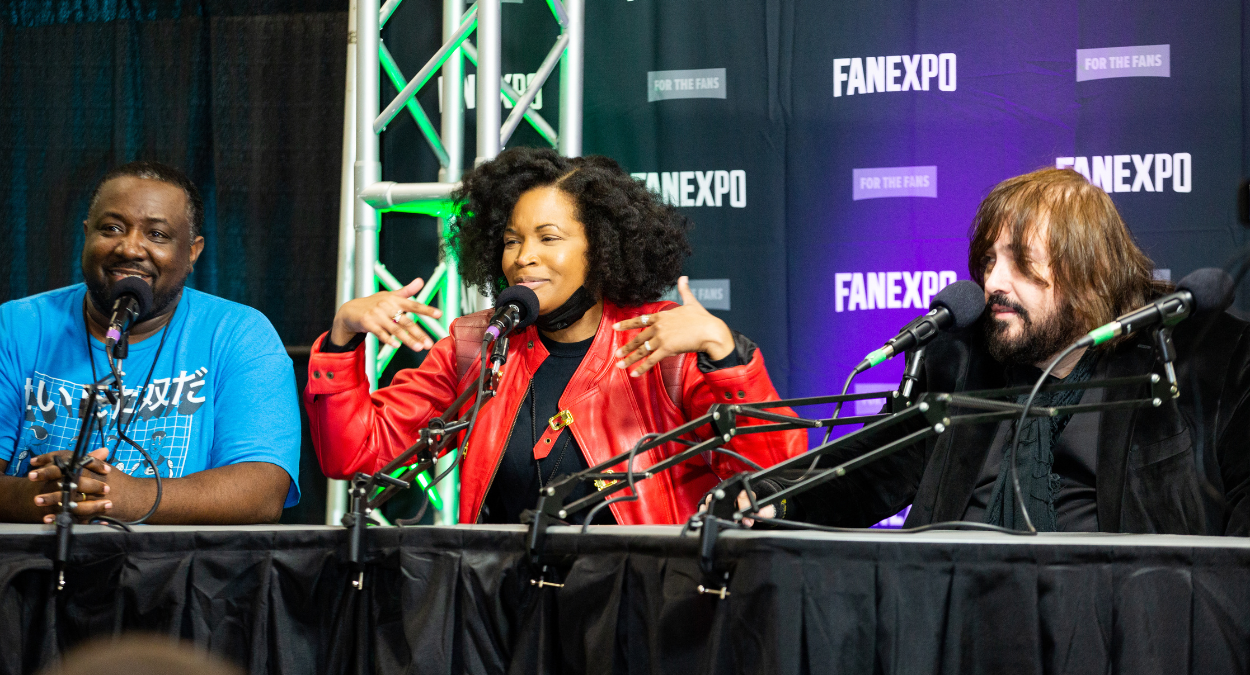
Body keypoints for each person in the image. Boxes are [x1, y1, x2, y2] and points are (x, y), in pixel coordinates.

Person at [306, 147, 805, 524]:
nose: (524, 257)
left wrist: (723, 353)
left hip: (639, 604)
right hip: (502, 608)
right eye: (511, 241)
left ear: (602, 247)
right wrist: (342, 338)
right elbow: (357, 454)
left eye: (548, 238)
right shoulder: (476, 345)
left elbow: (774, 473)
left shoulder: (664, 344)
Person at [748, 167, 1250, 535]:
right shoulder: (959, 359)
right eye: (988, 261)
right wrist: (775, 498)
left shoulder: (1200, 358)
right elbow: (868, 471)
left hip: (1118, 618)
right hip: (960, 608)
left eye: (1021, 262)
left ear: (1089, 273)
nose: (992, 283)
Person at [0, 161, 301, 524]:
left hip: (174, 560)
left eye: (157, 234)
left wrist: (128, 497)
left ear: (192, 252)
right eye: (111, 228)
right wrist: (48, 495)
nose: (130, 248)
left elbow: (263, 492)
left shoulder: (239, 334)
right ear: (86, 235)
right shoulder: (15, 326)